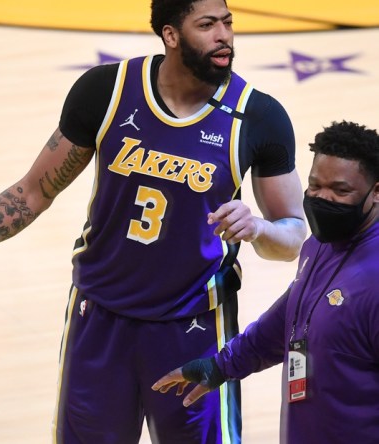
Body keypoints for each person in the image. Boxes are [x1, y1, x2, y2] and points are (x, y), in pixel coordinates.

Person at [0, 0, 307, 442]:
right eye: (207, 25)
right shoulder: (106, 91)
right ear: (170, 35)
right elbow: (33, 192)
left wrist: (260, 228)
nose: (224, 36)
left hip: (193, 327)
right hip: (99, 317)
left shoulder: (258, 117)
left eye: (228, 23)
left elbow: (294, 234)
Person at [152, 120, 379, 443]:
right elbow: (292, 314)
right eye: (315, 186)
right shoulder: (319, 243)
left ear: (377, 191)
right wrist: (222, 366)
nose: (323, 198)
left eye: (341, 191)